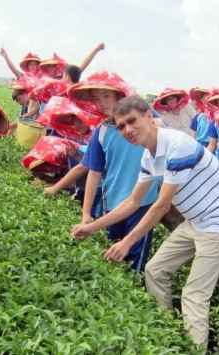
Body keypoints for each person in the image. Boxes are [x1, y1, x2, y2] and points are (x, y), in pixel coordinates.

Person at [72, 95, 219, 349]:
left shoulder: (177, 146)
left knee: (194, 295)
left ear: (149, 116)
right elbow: (132, 202)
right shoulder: (149, 158)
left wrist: (127, 242)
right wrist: (91, 226)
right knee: (155, 270)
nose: (128, 130)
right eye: (121, 127)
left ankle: (195, 349)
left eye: (132, 121)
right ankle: (168, 332)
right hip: (196, 222)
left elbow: (161, 205)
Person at [68, 70, 159, 273]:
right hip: (113, 204)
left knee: (136, 259)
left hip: (143, 202)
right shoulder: (101, 132)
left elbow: (159, 126)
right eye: (96, 99)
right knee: (114, 255)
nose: (102, 103)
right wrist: (86, 213)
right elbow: (93, 172)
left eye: (106, 96)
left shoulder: (143, 122)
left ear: (119, 95)